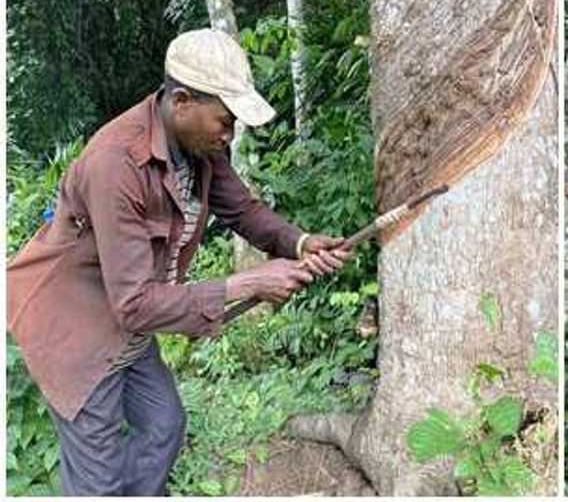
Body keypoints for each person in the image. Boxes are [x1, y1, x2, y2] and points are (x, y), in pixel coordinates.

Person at [6, 28, 352, 495]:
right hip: (77, 332)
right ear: (183, 101)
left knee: (164, 425)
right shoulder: (116, 164)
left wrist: (300, 242)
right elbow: (133, 303)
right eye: (224, 121)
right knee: (97, 479)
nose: (229, 134)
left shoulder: (200, 147)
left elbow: (241, 208)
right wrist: (249, 283)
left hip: (130, 325)